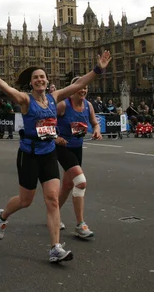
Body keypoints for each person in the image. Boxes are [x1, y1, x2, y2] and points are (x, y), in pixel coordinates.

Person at [0, 49, 111, 263]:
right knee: (25, 200)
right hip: (29, 155)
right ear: (31, 83)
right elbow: (9, 90)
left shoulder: (54, 97)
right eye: (35, 77)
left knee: (52, 200)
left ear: (47, 81)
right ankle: (2, 216)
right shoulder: (25, 100)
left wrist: (97, 70)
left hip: (48, 153)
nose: (39, 79)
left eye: (42, 76)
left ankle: (55, 248)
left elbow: (78, 85)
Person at [55, 76, 102, 238]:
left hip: (77, 148)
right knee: (80, 182)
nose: (83, 90)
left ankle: (53, 214)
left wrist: (96, 129)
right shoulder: (63, 105)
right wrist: (55, 137)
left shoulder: (88, 106)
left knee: (68, 185)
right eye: (80, 87)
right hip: (62, 147)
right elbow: (44, 121)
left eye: (85, 88)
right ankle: (80, 224)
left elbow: (95, 122)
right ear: (72, 88)